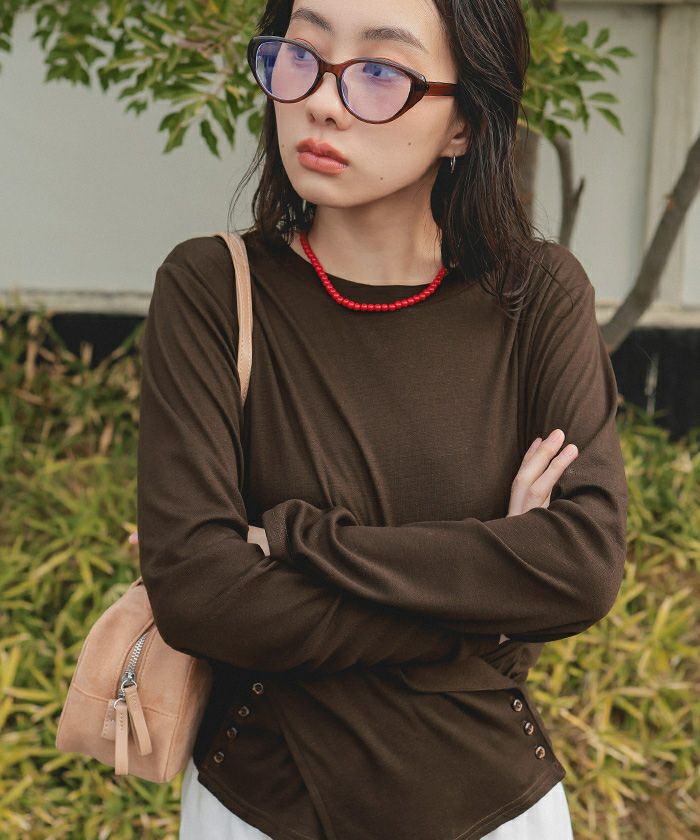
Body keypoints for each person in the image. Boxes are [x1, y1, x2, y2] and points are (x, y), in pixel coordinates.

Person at [136, 1, 629, 838]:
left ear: (464, 123)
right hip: (260, 805)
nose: (322, 102)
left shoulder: (537, 295)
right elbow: (201, 594)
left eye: (378, 72)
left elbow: (580, 567)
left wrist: (290, 539)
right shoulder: (212, 287)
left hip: (492, 807)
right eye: (302, 55)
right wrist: (484, 598)